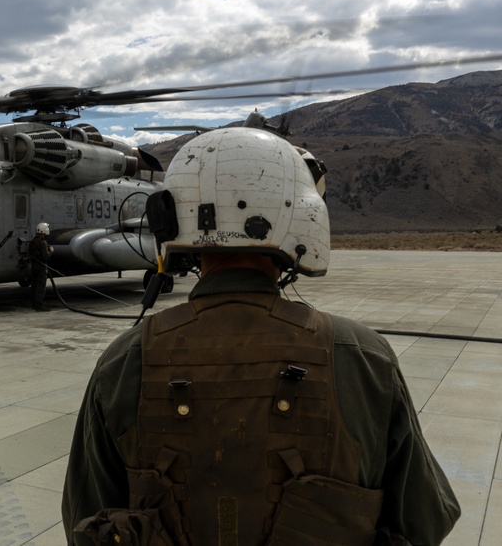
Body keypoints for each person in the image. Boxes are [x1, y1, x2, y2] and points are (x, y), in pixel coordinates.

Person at [62, 127, 459, 546]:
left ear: (170, 219)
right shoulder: (363, 356)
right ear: (301, 217)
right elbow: (423, 520)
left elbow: (87, 519)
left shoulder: (124, 361)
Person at [30, 221, 54, 311]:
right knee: (41, 287)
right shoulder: (43, 243)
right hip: (41, 267)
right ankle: (39, 305)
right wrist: (51, 251)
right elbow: (46, 256)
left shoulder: (33, 240)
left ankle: (34, 304)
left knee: (34, 286)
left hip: (34, 266)